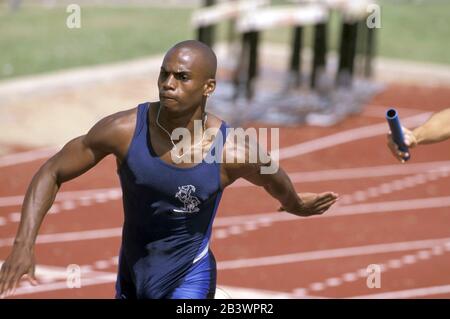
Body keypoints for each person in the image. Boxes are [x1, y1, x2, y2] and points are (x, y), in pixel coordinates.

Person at [0, 40, 338, 299]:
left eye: (182, 76)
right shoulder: (123, 130)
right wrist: (23, 244)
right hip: (133, 275)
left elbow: (275, 178)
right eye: (165, 73)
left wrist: (295, 203)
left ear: (209, 87)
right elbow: (52, 171)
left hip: (189, 277)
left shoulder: (233, 150)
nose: (168, 83)